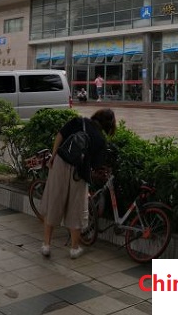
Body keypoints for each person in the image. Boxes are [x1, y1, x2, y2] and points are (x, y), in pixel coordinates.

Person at [40, 108, 116, 259]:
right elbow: (96, 164)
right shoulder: (101, 139)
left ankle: (47, 245)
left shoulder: (78, 121)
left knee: (54, 202)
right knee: (76, 208)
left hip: (61, 164)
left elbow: (60, 135)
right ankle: (74, 248)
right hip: (79, 173)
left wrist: (53, 157)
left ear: (96, 116)